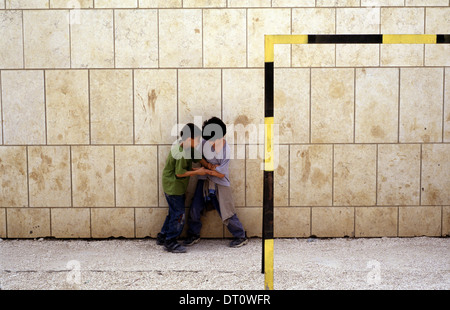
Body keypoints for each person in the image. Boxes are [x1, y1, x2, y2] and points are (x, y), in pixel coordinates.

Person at [184, 117, 248, 248]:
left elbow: (221, 173)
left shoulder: (226, 150)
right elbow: (196, 155)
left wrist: (206, 171)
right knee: (195, 208)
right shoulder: (203, 142)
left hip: (220, 182)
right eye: (208, 140)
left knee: (226, 210)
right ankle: (193, 234)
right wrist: (207, 165)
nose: (210, 143)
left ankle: (240, 235)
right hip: (204, 181)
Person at [157, 123, 211, 253]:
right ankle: (170, 241)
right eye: (197, 139)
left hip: (175, 186)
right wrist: (198, 172)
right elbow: (180, 173)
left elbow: (198, 157)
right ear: (188, 139)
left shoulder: (188, 148)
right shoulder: (180, 152)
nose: (198, 142)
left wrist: (208, 165)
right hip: (173, 187)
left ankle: (163, 235)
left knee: (173, 212)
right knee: (179, 215)